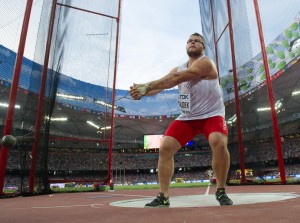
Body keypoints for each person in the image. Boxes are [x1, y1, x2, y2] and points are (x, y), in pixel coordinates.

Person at [129, 33, 233, 207]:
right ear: (186, 46)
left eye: (196, 41)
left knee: (218, 142)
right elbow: (163, 85)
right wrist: (142, 92)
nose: (192, 43)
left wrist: (147, 85)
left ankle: (221, 190)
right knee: (165, 147)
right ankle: (163, 196)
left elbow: (174, 80)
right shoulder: (178, 68)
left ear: (203, 47)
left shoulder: (207, 63)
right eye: (189, 41)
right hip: (188, 117)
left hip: (212, 114)